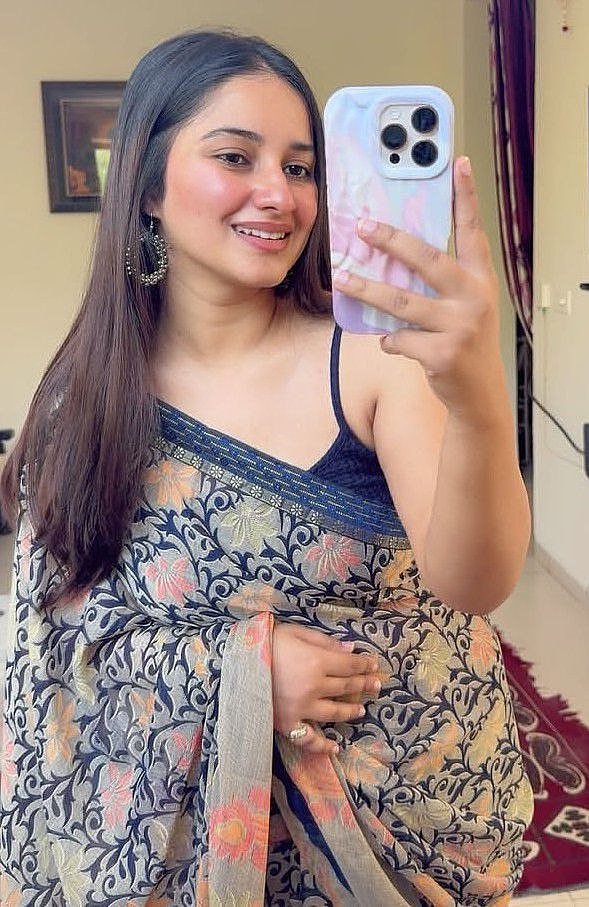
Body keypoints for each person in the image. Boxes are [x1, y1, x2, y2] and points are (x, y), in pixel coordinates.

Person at [0, 28, 533, 907]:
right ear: (146, 187)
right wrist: (245, 675)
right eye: (234, 157)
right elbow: (54, 651)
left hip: (397, 840)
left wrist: (477, 404)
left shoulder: (372, 360)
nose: (277, 194)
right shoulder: (82, 404)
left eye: (299, 166)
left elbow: (474, 583)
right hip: (182, 862)